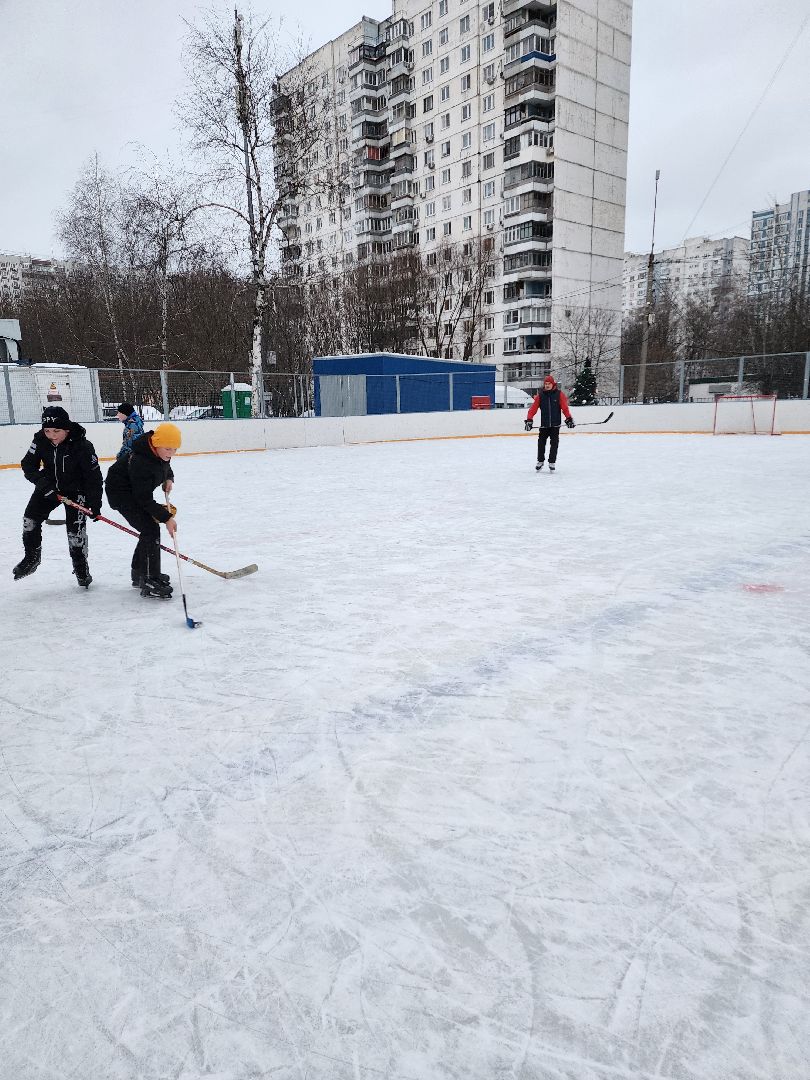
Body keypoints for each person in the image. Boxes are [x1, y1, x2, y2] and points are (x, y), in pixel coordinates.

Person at [14, 406, 103, 587]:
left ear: (66, 429)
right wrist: (44, 485)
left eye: (56, 431)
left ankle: (80, 568)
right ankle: (32, 558)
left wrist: (95, 504)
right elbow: (28, 465)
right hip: (48, 487)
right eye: (47, 431)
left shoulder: (83, 446)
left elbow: (93, 477)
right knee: (29, 521)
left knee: (75, 533)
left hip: (76, 491)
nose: (52, 435)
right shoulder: (40, 440)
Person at [104, 422, 181, 599]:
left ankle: (140, 573)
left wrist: (169, 478)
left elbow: (165, 465)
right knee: (150, 529)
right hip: (122, 495)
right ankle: (148, 579)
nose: (171, 454)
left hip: (135, 492)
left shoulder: (156, 452)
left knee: (149, 530)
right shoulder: (142, 461)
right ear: (156, 443)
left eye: (174, 450)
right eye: (168, 449)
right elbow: (143, 499)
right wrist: (166, 518)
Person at [524, 374, 575, 472]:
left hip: (555, 425)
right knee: (541, 443)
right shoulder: (540, 396)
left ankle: (552, 462)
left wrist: (569, 419)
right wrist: (529, 420)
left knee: (554, 444)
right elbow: (532, 409)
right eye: (546, 384)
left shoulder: (559, 394)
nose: (547, 385)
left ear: (553, 384)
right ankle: (540, 461)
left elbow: (565, 408)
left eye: (549, 383)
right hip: (544, 425)